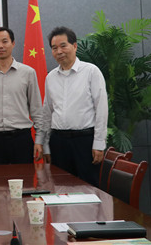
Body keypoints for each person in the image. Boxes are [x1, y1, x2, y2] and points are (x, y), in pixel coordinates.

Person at [42, 26, 108, 186]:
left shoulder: (91, 72)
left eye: (63, 46)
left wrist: (99, 143)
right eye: (54, 48)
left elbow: (101, 109)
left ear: (75, 46)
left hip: (84, 141)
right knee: (61, 188)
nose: (59, 51)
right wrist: (46, 145)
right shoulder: (51, 77)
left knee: (88, 188)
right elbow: (47, 112)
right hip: (58, 142)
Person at [0, 27, 45, 165]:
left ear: (13, 43)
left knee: (24, 178)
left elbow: (36, 110)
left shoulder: (28, 73)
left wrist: (40, 140)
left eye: (5, 41)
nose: (0, 46)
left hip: (21, 139)